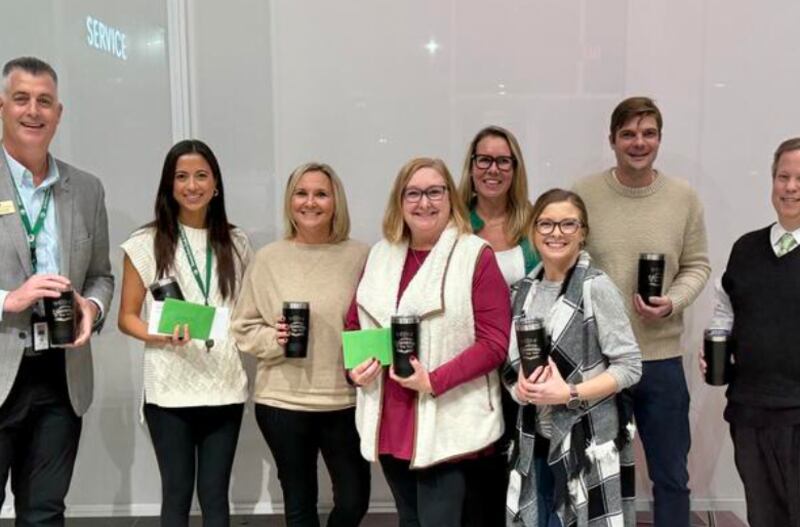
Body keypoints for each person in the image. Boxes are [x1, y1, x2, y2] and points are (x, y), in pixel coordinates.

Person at [347, 157, 511, 527]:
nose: (425, 203)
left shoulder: (475, 255)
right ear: (399, 202)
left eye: (435, 192)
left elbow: (495, 342)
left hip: (448, 415)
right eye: (414, 194)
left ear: (450, 198)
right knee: (410, 520)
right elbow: (356, 322)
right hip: (392, 416)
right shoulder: (380, 254)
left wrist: (434, 380)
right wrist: (353, 370)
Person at [573, 96, 710, 527]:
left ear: (659, 139)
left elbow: (698, 264)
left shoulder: (683, 197)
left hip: (661, 361)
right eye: (628, 133)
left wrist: (674, 301)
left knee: (671, 477)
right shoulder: (583, 194)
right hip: (600, 362)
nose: (639, 142)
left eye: (648, 133)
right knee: (601, 477)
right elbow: (565, 260)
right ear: (612, 139)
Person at [0, 56, 114, 525]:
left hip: (62, 375)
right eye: (22, 99)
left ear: (59, 113)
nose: (34, 111)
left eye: (44, 101)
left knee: (45, 511)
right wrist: (8, 299)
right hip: (2, 367)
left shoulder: (86, 188)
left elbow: (102, 275)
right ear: (2, 107)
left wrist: (91, 305)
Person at [118, 139, 251, 527]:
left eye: (201, 176)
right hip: (168, 387)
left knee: (215, 496)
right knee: (176, 494)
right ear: (168, 185)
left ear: (216, 184)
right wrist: (156, 335)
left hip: (224, 383)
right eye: (181, 177)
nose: (191, 185)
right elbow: (126, 316)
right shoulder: (145, 243)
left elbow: (245, 310)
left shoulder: (237, 242)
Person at [231, 163, 370, 527]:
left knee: (354, 501)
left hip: (345, 400)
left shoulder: (361, 256)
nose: (310, 202)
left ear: (335, 202)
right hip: (282, 402)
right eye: (301, 193)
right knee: (299, 503)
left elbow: (374, 322)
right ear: (290, 201)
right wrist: (274, 340)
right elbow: (243, 327)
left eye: (321, 194)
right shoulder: (268, 259)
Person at [504, 188, 641, 526]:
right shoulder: (522, 291)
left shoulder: (597, 287)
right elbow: (510, 366)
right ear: (533, 232)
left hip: (586, 442)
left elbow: (630, 367)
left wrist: (570, 393)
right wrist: (518, 389)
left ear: (583, 233)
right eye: (546, 224)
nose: (556, 233)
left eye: (568, 224)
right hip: (534, 440)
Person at [701, 137, 800, 527]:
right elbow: (725, 311)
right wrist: (714, 345)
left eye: (799, 179)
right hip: (750, 410)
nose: (791, 187)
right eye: (783, 177)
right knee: (763, 516)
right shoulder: (746, 248)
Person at [458, 125, 540, 526]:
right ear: (472, 166)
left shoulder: (534, 225)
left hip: (522, 370)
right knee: (478, 476)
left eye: (502, 160)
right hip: (470, 368)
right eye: (484, 159)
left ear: (515, 167)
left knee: (520, 472)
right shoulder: (454, 224)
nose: (493, 169)